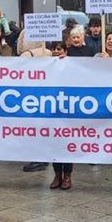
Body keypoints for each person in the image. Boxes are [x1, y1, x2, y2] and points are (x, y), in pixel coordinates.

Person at [48, 41, 73, 190]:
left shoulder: (72, 65)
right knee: (55, 145)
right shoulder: (47, 65)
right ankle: (57, 175)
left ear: (65, 51)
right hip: (52, 111)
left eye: (59, 49)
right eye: (54, 49)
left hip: (68, 111)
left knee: (67, 145)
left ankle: (68, 176)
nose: (56, 52)